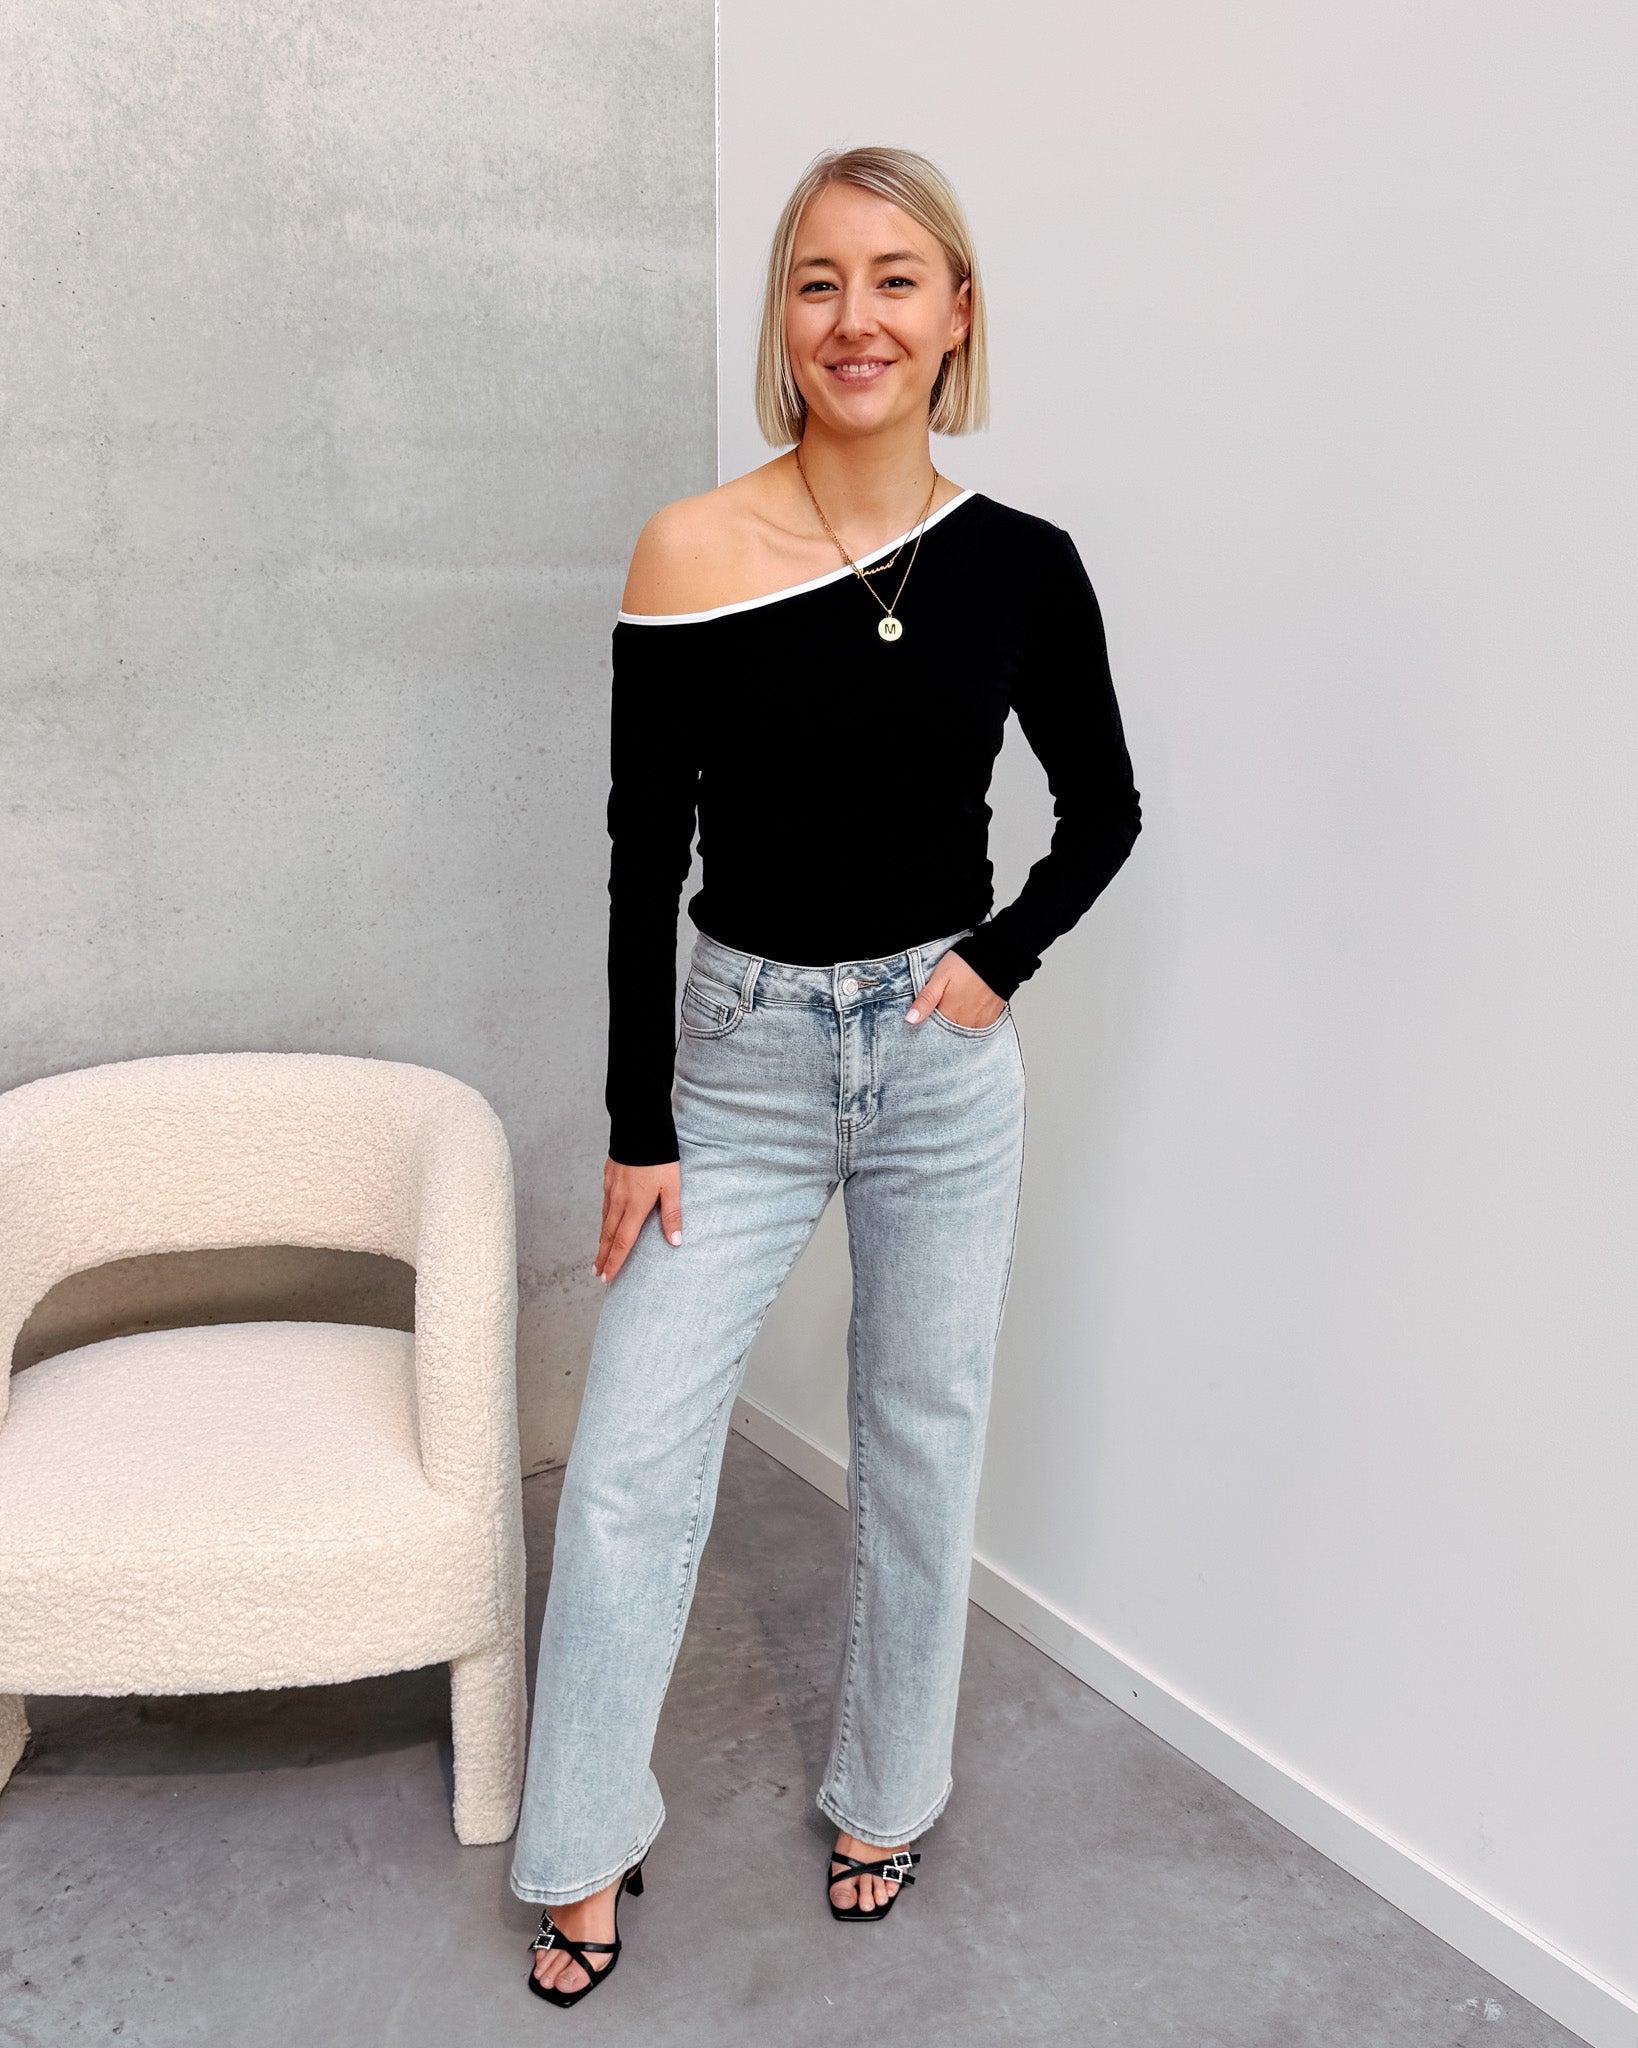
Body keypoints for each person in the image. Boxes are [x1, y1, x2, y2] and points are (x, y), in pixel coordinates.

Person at [510, 144, 1142, 2006]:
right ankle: (581, 1839)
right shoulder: (690, 548)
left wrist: (991, 966)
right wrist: (638, 1122)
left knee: (921, 1441)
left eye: (893, 278)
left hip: (938, 1068)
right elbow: (642, 854)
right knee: (631, 1464)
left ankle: (887, 1793)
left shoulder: (1023, 567)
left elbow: (1102, 810)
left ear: (955, 317)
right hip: (740, 1064)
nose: (852, 318)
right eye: (815, 281)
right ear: (781, 321)